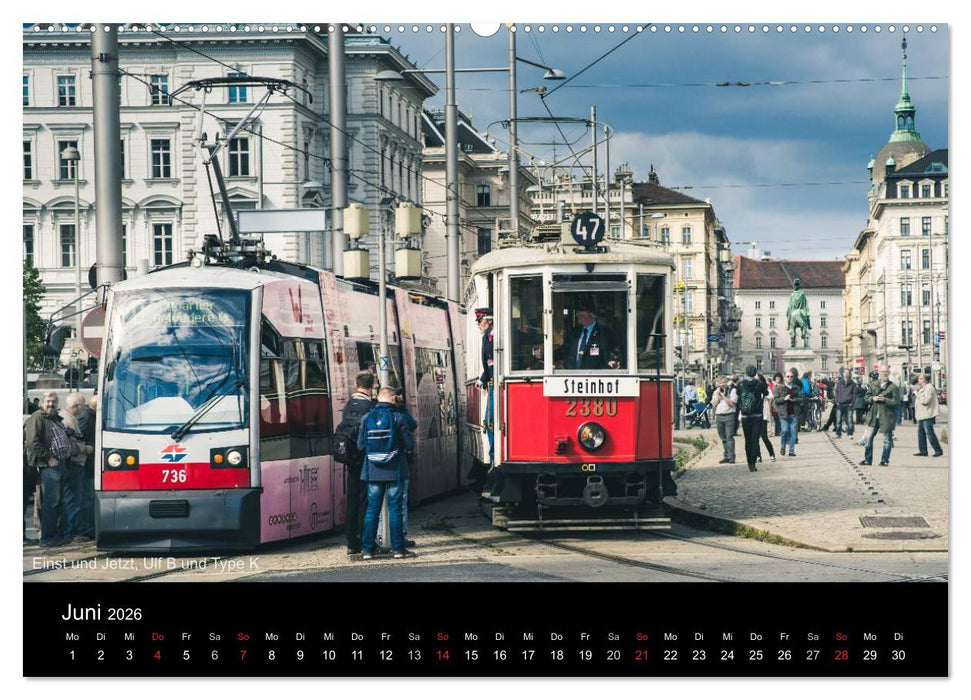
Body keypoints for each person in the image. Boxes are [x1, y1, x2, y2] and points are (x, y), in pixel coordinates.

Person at [357, 387, 416, 559]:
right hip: (395, 471)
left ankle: (367, 549)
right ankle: (398, 549)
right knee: (395, 510)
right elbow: (409, 444)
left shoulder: (366, 418)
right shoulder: (398, 418)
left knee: (371, 510)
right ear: (392, 399)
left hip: (373, 472)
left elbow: (360, 446)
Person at [24, 392, 79, 547]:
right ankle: (47, 538)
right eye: (48, 401)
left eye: (53, 401)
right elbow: (32, 443)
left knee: (59, 503)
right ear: (42, 402)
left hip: (61, 465)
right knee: (50, 503)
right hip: (49, 466)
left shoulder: (54, 418)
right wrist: (49, 458)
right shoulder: (37, 417)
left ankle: (55, 536)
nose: (51, 404)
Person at [334, 371, 376, 555]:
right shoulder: (371, 406)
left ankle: (351, 541)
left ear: (356, 384)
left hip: (349, 459)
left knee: (352, 499)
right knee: (364, 501)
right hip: (364, 458)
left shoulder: (348, 405)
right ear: (372, 386)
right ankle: (363, 538)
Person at [556, 303, 620, 370]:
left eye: (581, 316)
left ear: (591, 315)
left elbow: (613, 350)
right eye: (578, 316)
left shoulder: (604, 332)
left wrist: (613, 360)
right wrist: (547, 356)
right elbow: (564, 350)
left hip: (596, 376)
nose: (579, 320)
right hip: (573, 375)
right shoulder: (574, 332)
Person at [861, 367, 899, 467]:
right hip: (873, 416)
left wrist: (885, 400)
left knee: (887, 439)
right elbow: (865, 398)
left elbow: (896, 402)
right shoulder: (873, 384)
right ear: (879, 373)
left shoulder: (893, 387)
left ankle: (884, 460)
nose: (884, 373)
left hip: (886, 417)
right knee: (868, 439)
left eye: (886, 371)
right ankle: (867, 460)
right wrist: (873, 398)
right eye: (882, 371)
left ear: (889, 372)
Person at [76, 395, 98, 540]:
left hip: (90, 463)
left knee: (89, 497)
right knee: (87, 498)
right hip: (87, 462)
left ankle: (89, 527)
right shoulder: (87, 417)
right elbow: (80, 437)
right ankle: (86, 528)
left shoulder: (90, 415)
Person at [737, 366, 767, 472]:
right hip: (757, 415)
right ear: (755, 374)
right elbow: (766, 393)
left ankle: (749, 462)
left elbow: (738, 398)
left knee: (748, 440)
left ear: (745, 373)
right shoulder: (759, 384)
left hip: (745, 416)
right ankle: (753, 463)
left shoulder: (740, 385)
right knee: (755, 440)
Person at [913, 373, 944, 458]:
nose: (918, 380)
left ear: (925, 380)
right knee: (921, 433)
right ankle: (923, 451)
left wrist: (917, 394)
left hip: (927, 414)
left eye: (920, 378)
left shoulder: (929, 387)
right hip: (921, 415)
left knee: (929, 433)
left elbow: (926, 401)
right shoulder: (923, 388)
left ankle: (938, 450)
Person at [773, 369, 802, 457]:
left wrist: (795, 399)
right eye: (788, 376)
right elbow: (776, 400)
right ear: (784, 377)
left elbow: (801, 398)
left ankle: (791, 451)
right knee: (785, 431)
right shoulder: (778, 387)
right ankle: (783, 446)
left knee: (793, 432)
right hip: (783, 413)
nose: (789, 378)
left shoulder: (796, 387)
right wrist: (784, 399)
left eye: (791, 377)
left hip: (794, 413)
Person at [711, 375, 737, 464]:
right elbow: (714, 404)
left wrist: (724, 396)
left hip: (729, 415)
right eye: (720, 383)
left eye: (723, 383)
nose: (722, 385)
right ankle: (726, 456)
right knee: (723, 437)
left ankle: (731, 456)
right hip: (719, 416)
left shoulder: (732, 391)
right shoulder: (716, 392)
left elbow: (733, 404)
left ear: (727, 383)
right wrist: (718, 395)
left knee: (729, 436)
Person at [757, 372, 776, 463]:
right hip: (754, 415)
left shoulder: (766, 390)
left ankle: (771, 454)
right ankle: (758, 456)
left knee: (764, 436)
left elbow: (770, 396)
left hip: (762, 415)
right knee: (755, 437)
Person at [832, 367, 856, 439]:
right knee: (838, 420)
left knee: (849, 420)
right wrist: (837, 401)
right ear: (843, 374)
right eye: (844, 372)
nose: (845, 374)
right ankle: (838, 434)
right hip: (840, 404)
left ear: (849, 374)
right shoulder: (839, 383)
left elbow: (854, 394)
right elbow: (836, 392)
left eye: (847, 372)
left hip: (849, 404)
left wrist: (852, 402)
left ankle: (850, 434)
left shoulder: (852, 383)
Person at [769, 372, 784, 436]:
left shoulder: (782, 385)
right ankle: (776, 431)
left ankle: (778, 431)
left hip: (780, 402)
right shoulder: (771, 385)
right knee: (776, 418)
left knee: (779, 418)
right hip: (773, 403)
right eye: (777, 378)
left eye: (779, 378)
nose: (778, 379)